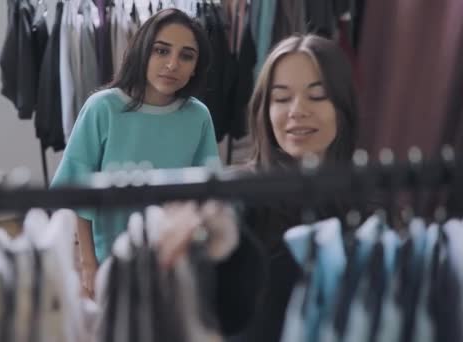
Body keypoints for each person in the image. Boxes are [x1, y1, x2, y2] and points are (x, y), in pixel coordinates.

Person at [157, 33, 359, 341]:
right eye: (281, 98)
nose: (296, 110)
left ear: (342, 106)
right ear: (264, 110)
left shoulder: (369, 200)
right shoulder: (239, 190)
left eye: (316, 96)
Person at [51, 8, 219, 299]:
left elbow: (207, 197)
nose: (172, 64)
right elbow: (76, 192)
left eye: (186, 55)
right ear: (143, 51)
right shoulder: (102, 108)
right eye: (161, 50)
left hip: (176, 264)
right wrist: (88, 262)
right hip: (109, 263)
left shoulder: (198, 116)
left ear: (196, 66)